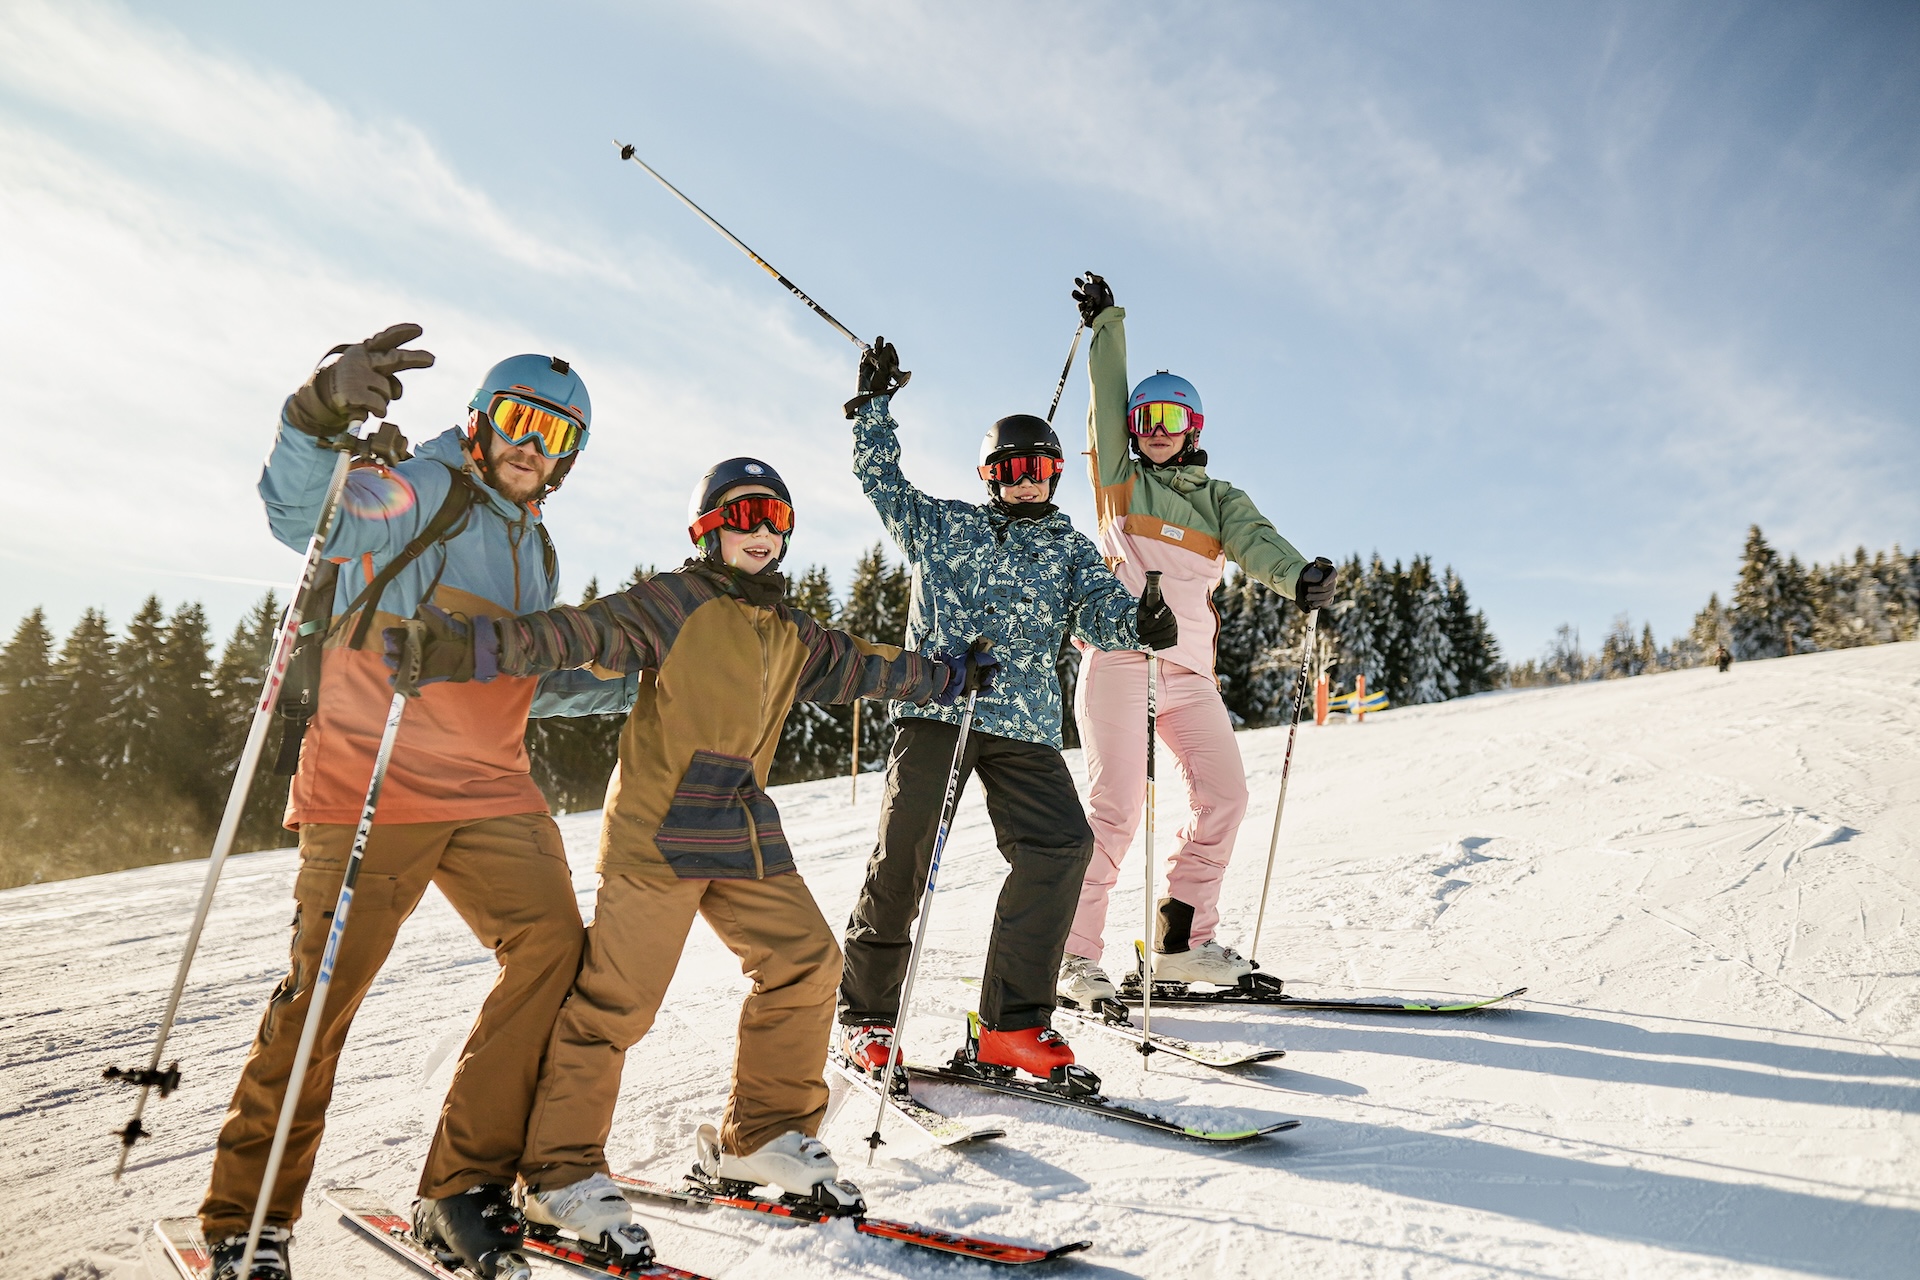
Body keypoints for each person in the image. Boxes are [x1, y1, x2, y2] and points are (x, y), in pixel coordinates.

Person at [397, 457, 972, 1256]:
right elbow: (577, 633)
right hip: (659, 830)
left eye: (775, 517)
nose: (762, 531)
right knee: (616, 1003)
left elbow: (865, 664)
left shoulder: (789, 629)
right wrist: (474, 645)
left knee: (807, 961)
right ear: (708, 530)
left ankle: (762, 1134)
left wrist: (946, 676)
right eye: (743, 516)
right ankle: (558, 1172)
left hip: (740, 827)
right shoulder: (675, 601)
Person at [201, 326, 633, 1280]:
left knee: (553, 949)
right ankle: (249, 1215)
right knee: (322, 997)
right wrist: (317, 412)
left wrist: (641, 684)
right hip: (373, 781)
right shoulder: (422, 486)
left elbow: (525, 680)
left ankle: (462, 1186)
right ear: (481, 420)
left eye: (558, 435)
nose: (533, 446)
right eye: (519, 420)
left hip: (490, 790)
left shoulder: (537, 548)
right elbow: (306, 517)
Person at [834, 339, 1179, 1084]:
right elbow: (882, 482)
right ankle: (866, 1017)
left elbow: (1102, 611)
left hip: (1024, 726)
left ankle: (1011, 1024)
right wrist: (873, 410)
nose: (1026, 482)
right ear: (990, 476)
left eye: (1040, 469)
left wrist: (1141, 624)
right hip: (939, 711)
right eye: (1011, 470)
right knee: (904, 854)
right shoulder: (944, 526)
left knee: (1062, 845)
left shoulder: (1067, 548)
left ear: (1055, 474)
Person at [1056, 275, 1338, 1009]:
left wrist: (1298, 577)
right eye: (1144, 417)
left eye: (1171, 417)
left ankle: (1181, 946)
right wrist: (1106, 328)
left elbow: (1257, 542)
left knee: (1224, 798)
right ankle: (1073, 956)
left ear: (1194, 428)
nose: (1156, 428)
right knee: (1116, 809)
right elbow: (1102, 405)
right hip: (1120, 660)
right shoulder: (1119, 482)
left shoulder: (1220, 501)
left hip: (1189, 674)